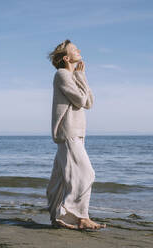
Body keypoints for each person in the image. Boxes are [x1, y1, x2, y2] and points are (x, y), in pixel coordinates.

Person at [46, 39, 106, 230]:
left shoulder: (71, 76)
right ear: (66, 58)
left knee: (61, 178)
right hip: (68, 132)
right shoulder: (62, 74)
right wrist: (79, 75)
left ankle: (57, 216)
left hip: (76, 133)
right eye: (74, 50)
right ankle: (80, 216)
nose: (79, 50)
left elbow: (89, 102)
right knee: (86, 174)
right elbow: (81, 99)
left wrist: (81, 76)